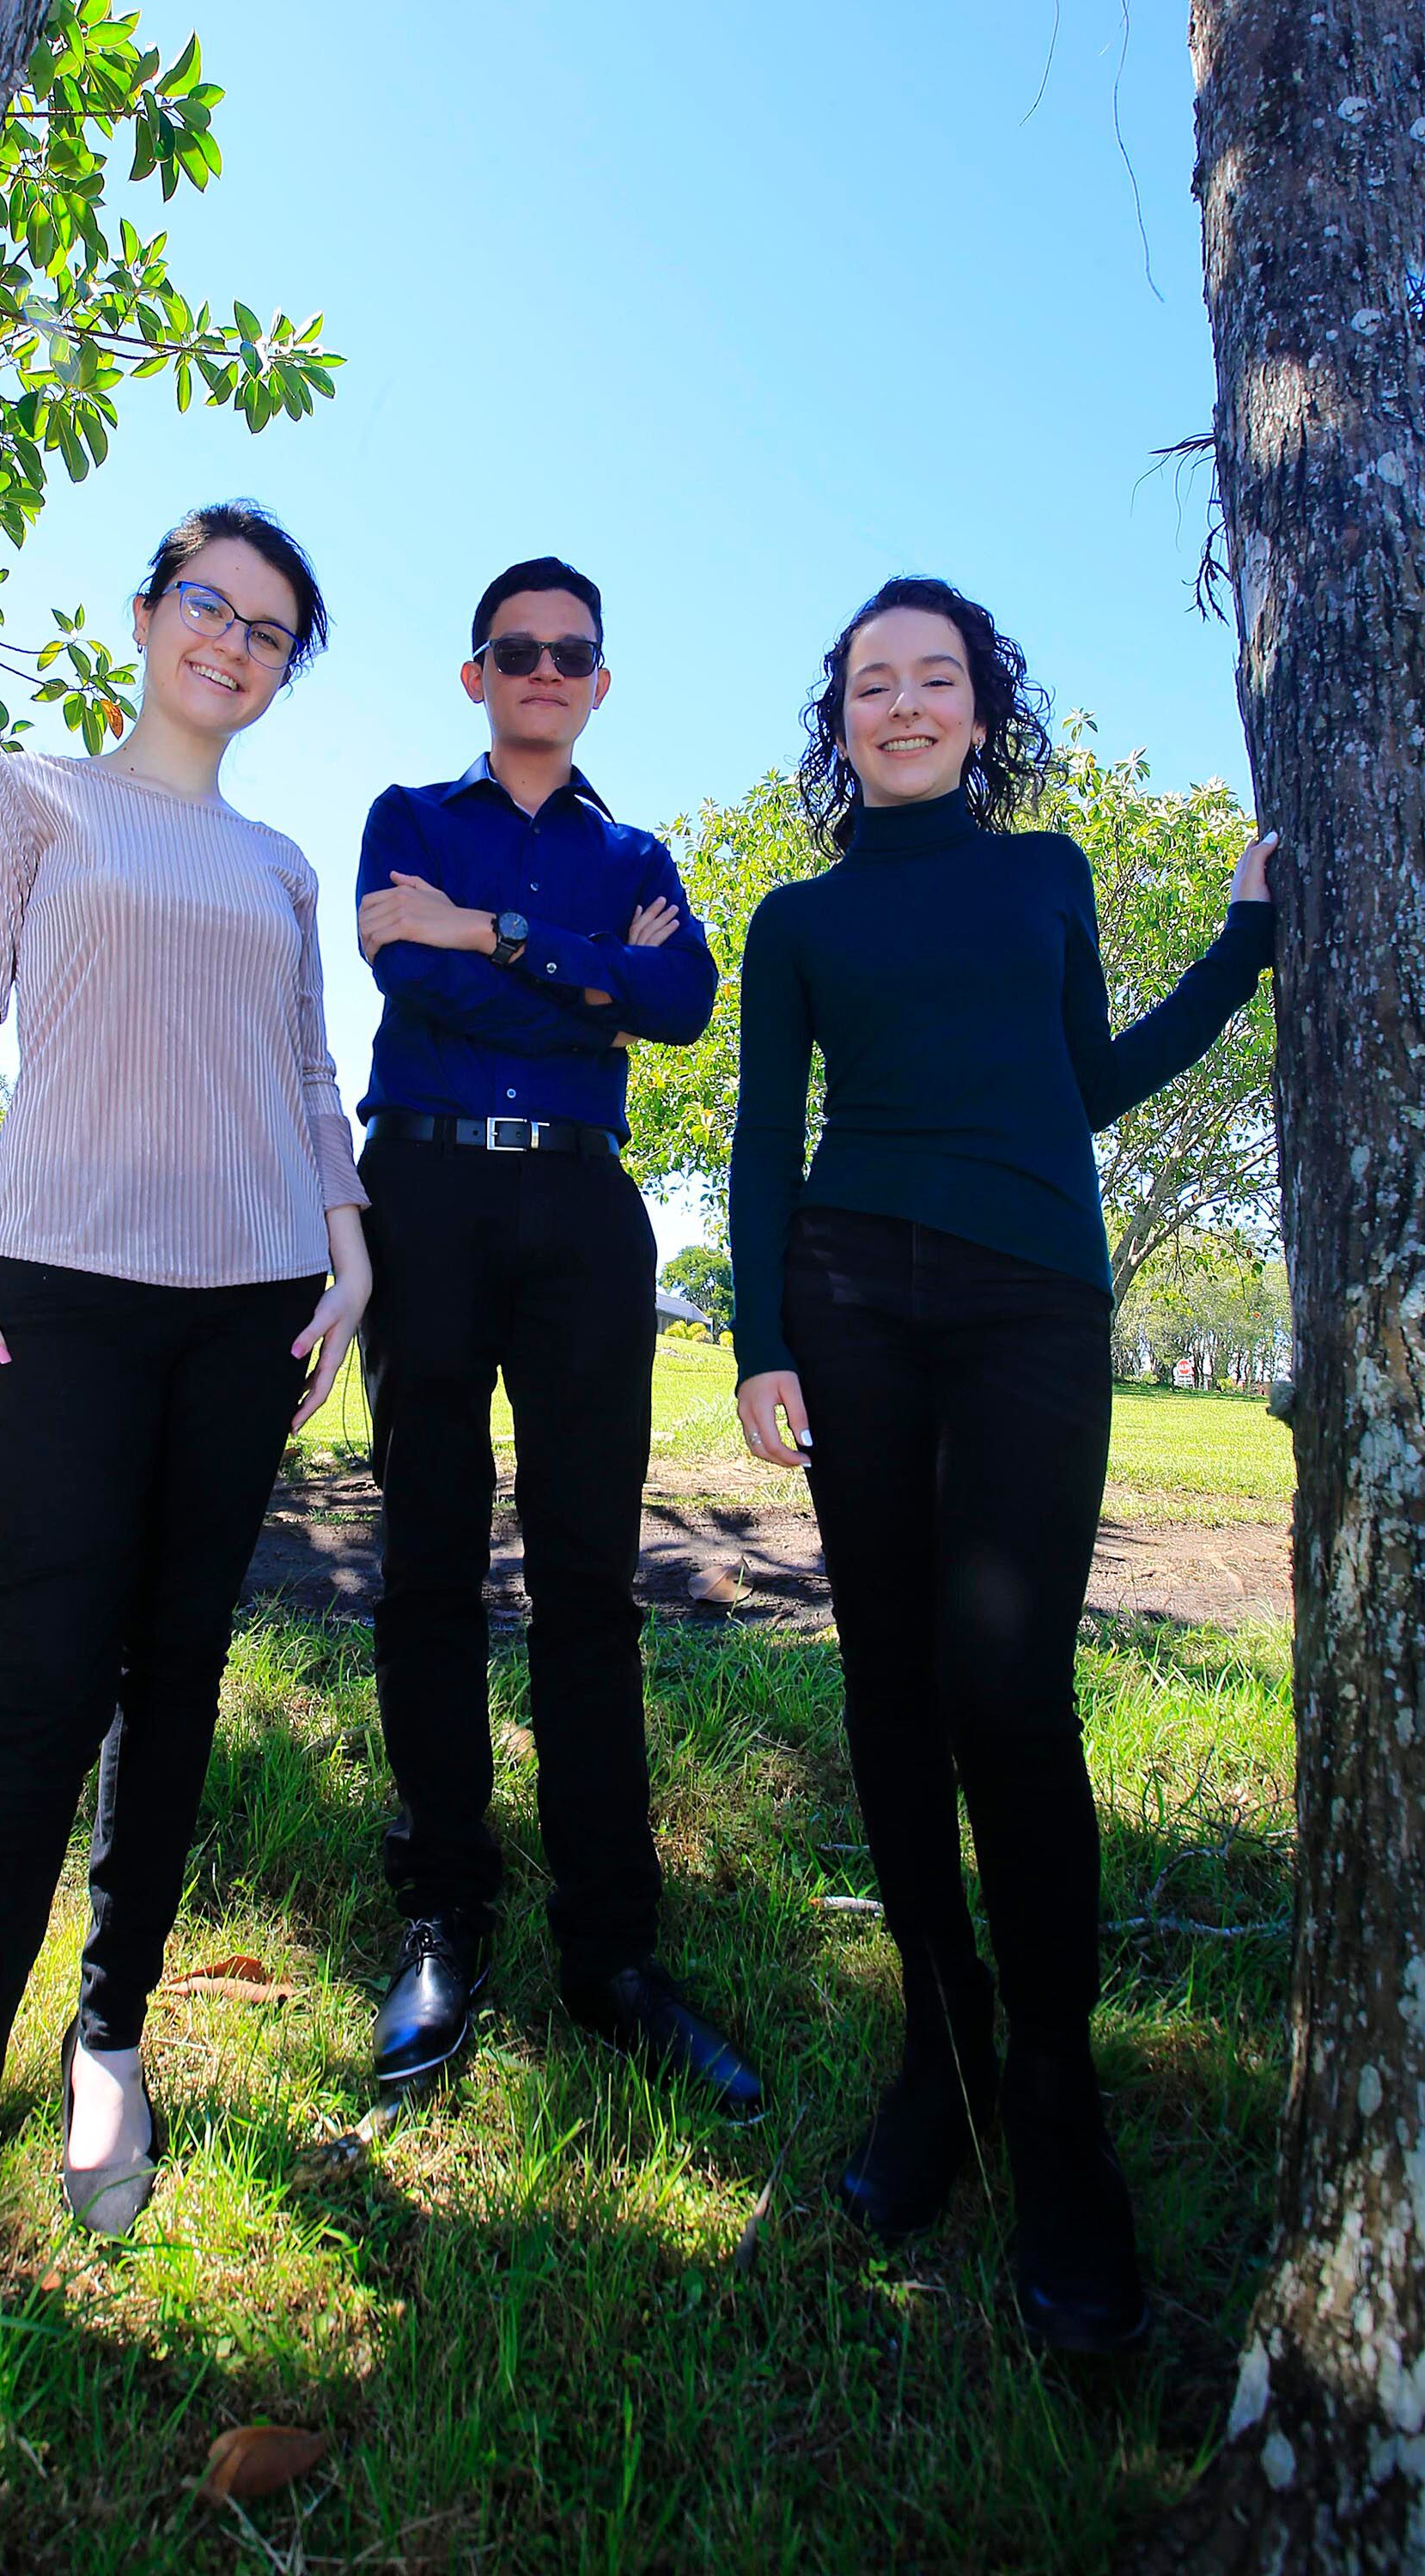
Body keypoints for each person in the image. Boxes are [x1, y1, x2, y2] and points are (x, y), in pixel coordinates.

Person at [0, 501, 370, 2461]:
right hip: (65, 1291)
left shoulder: (280, 865)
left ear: (285, 670)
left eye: (271, 629)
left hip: (253, 1305)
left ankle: (114, 2035)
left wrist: (349, 1248)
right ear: (149, 615)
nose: (232, 641)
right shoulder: (33, 799)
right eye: (208, 605)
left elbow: (309, 1076)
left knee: (181, 1674)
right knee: (38, 1694)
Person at [729, 574, 1276, 2353]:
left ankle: (1055, 2101)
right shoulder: (798, 918)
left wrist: (1241, 950)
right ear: (842, 720)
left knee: (1011, 1695)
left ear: (980, 707)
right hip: (848, 1296)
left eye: (934, 679)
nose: (902, 706)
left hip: (1032, 1296)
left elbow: (1081, 1084)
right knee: (888, 1683)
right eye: (870, 685)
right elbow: (761, 1138)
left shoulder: (1047, 873)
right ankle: (939, 2048)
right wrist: (757, 1336)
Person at [354, 554, 761, 2117]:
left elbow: (682, 1004)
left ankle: (611, 1954)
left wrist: (494, 935)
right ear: (475, 675)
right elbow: (412, 979)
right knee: (430, 1555)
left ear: (598, 682)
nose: (542, 672)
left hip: (586, 1214)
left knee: (590, 1576)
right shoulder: (407, 817)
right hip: (427, 1196)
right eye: (514, 650)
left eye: (569, 653)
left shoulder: (637, 851)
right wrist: (587, 978)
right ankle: (441, 1915)